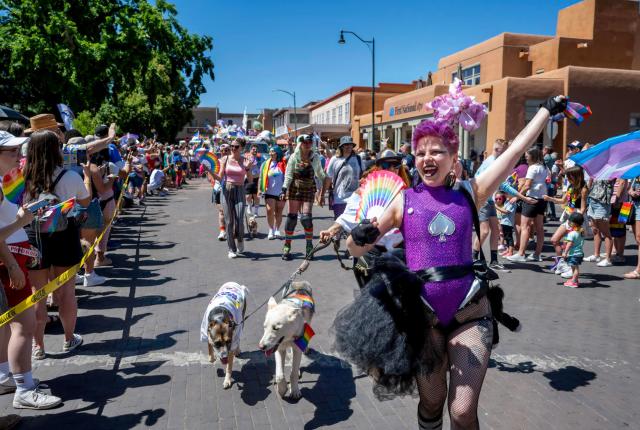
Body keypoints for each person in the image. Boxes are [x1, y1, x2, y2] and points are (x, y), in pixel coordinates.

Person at [339, 83, 568, 428]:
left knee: (461, 412)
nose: (428, 159)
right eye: (421, 153)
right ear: (413, 159)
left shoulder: (471, 192)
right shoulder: (402, 202)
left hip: (471, 315)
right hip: (423, 320)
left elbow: (514, 152)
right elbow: (354, 250)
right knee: (432, 404)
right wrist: (358, 237)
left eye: (436, 152)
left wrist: (546, 111)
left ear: (452, 159)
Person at [0, 131, 62, 409]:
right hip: (7, 259)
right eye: (11, 151)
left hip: (13, 255)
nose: (18, 155)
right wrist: (23, 222)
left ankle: (6, 375)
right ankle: (24, 388)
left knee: (7, 324)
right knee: (22, 325)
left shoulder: (4, 182)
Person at [23, 129, 90, 359]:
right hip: (65, 234)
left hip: (33, 235)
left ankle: (37, 346)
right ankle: (68, 338)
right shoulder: (70, 176)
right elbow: (85, 201)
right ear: (56, 151)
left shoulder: (21, 178)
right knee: (66, 292)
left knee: (37, 294)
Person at [475, 140, 535, 269]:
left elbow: (502, 184)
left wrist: (521, 197)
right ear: (497, 150)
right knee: (484, 231)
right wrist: (522, 197)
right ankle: (473, 260)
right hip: (481, 199)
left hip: (488, 199)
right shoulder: (492, 164)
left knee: (496, 230)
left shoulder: (496, 162)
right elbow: (502, 185)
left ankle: (494, 261)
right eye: (502, 151)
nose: (504, 155)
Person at [280, 134, 327, 260]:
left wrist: (327, 181)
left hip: (308, 189)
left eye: (309, 142)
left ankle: (309, 246)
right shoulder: (294, 157)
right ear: (300, 143)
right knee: (292, 218)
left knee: (306, 218)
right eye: (305, 142)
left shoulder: (315, 157)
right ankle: (287, 245)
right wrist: (284, 189)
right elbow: (288, 175)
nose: (307, 145)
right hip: (295, 188)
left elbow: (320, 173)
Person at [507, 148, 549, 262]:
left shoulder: (532, 168)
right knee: (539, 227)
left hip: (531, 199)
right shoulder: (544, 167)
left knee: (525, 226)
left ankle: (521, 254)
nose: (525, 157)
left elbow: (527, 186)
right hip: (542, 199)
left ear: (533, 156)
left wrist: (517, 196)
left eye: (527, 156)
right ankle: (537, 254)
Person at [545, 166, 588, 277]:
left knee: (571, 245)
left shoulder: (583, 189)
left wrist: (578, 223)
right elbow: (563, 200)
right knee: (554, 240)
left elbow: (583, 208)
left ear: (576, 176)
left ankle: (571, 268)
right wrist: (550, 199)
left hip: (576, 220)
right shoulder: (570, 186)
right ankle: (562, 264)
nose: (568, 179)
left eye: (569, 177)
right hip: (568, 218)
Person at [212, 140, 253, 258]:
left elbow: (250, 180)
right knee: (229, 221)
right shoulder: (225, 159)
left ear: (241, 148)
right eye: (232, 146)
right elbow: (220, 178)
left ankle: (240, 239)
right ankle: (231, 248)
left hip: (240, 189)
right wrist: (209, 171)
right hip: (226, 190)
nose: (233, 148)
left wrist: (248, 169)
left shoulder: (245, 160)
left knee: (239, 219)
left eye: (236, 146)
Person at [326, 136, 363, 220]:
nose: (348, 147)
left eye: (350, 145)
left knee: (353, 225)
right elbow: (328, 177)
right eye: (346, 145)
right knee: (339, 225)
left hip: (355, 199)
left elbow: (363, 174)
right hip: (340, 199)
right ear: (341, 146)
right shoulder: (335, 159)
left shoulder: (358, 159)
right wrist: (322, 194)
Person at [584, 179, 614, 266]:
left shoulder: (610, 171)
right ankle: (596, 255)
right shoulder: (595, 170)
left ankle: (608, 259)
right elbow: (589, 184)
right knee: (595, 230)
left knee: (606, 232)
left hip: (602, 202)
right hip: (592, 200)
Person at [258, 146, 286, 239]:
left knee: (279, 211)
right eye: (270, 152)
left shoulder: (284, 163)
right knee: (270, 211)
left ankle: (277, 229)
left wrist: (286, 191)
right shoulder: (265, 164)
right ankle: (271, 230)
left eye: (273, 152)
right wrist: (259, 189)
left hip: (281, 192)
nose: (271, 153)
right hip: (269, 191)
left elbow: (288, 177)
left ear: (277, 153)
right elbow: (261, 177)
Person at [561, 212, 585, 288]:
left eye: (570, 221)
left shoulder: (572, 234)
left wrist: (565, 252)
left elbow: (569, 244)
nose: (568, 222)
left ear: (574, 223)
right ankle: (574, 280)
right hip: (579, 253)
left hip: (574, 254)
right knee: (574, 267)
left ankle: (574, 282)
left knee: (575, 268)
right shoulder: (581, 231)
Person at [624, 176, 640, 279]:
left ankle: (638, 270)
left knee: (639, 237)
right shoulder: (636, 171)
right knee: (638, 239)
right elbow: (629, 187)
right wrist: (631, 191)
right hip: (633, 204)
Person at [245, 143, 264, 217]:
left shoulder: (260, 158)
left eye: (256, 149)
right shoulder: (246, 157)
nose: (255, 150)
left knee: (256, 196)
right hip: (248, 178)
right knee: (248, 196)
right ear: (250, 150)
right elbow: (245, 167)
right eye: (253, 149)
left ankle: (256, 211)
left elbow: (263, 167)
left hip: (257, 179)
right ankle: (249, 206)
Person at [495, 191, 516, 257]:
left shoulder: (512, 202)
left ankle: (511, 252)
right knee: (506, 238)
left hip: (508, 223)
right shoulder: (507, 201)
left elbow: (506, 211)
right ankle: (508, 250)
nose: (506, 195)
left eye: (507, 194)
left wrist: (496, 207)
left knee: (509, 238)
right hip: (504, 222)